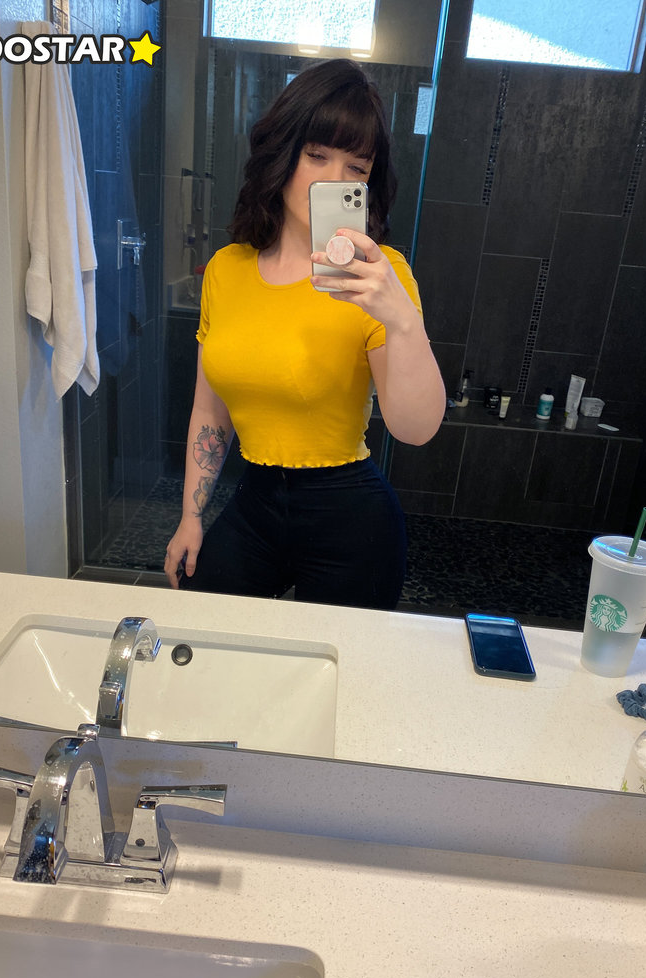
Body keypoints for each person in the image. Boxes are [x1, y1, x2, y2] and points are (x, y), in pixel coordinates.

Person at [164, 58, 446, 610]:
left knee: (340, 664)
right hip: (255, 502)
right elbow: (210, 410)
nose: (334, 180)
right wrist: (190, 518)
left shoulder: (380, 276)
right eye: (317, 155)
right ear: (283, 153)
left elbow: (415, 430)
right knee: (205, 631)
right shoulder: (226, 270)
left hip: (351, 515)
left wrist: (401, 319)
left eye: (356, 167)